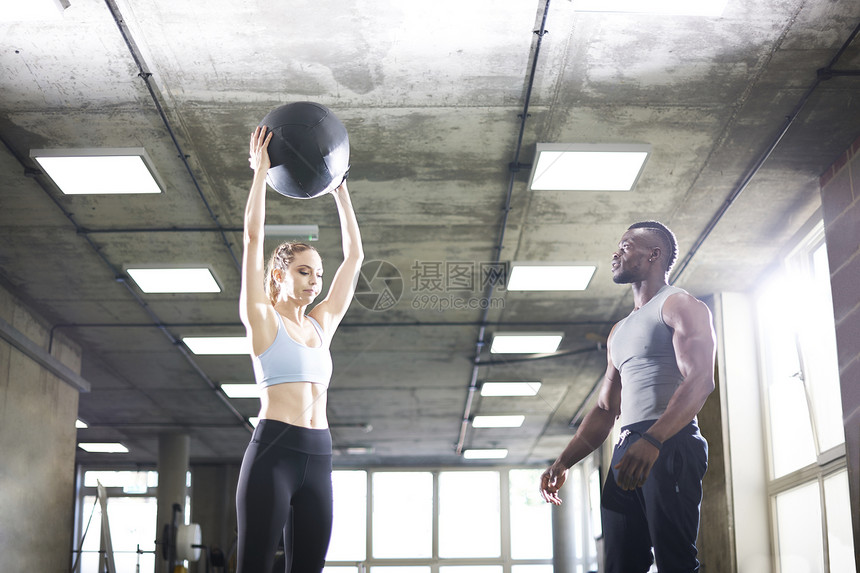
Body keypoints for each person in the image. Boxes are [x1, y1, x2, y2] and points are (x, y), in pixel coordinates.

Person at [539, 221, 716, 573]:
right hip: (627, 446)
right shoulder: (619, 330)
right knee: (620, 564)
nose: (616, 253)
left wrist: (654, 438)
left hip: (670, 442)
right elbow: (606, 408)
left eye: (626, 245)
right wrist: (564, 461)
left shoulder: (680, 305)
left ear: (655, 254)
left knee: (675, 563)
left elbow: (700, 380)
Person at [235, 126, 364, 573]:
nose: (315, 281)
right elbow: (253, 240)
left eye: (319, 275)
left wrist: (339, 188)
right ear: (279, 276)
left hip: (320, 454)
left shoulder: (321, 325)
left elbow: (356, 258)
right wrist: (260, 174)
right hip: (274, 453)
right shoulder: (262, 319)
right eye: (306, 272)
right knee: (254, 567)